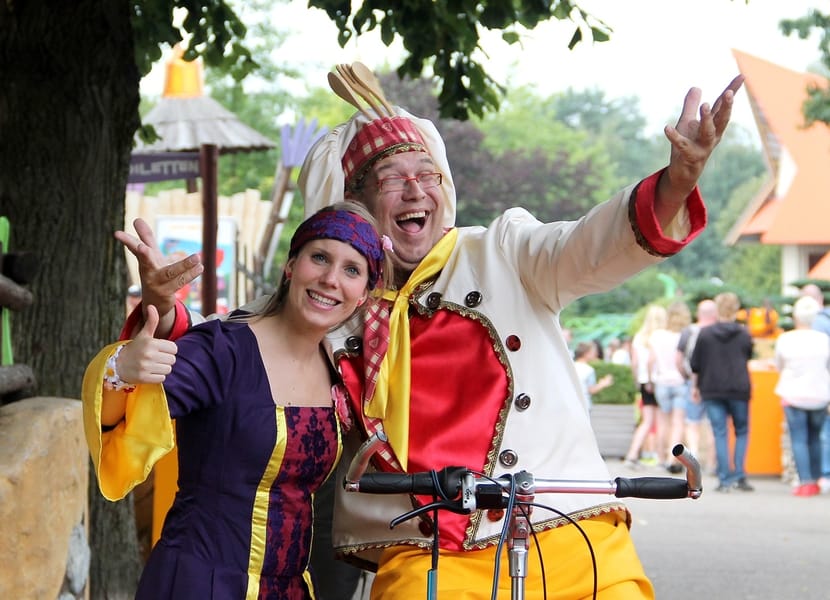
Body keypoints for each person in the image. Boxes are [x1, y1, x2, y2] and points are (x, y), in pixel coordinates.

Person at [125, 70, 744, 598]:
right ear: (355, 204)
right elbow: (237, 350)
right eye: (392, 177)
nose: (416, 187)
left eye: (427, 173)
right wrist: (160, 310)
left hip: (570, 534)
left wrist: (675, 185)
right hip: (426, 555)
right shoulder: (332, 305)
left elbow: (589, 247)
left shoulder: (503, 251)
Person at [81, 203, 390, 600]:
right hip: (198, 584)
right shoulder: (222, 352)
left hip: (291, 590)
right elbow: (122, 421)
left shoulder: (340, 373)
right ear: (291, 265)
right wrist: (123, 369)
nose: (331, 279)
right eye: (320, 257)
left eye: (352, 269)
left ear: (364, 294)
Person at [689, 291, 754, 493]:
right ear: (736, 309)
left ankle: (724, 478)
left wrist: (695, 387)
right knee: (741, 431)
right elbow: (749, 355)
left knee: (719, 432)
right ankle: (740, 475)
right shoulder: (744, 333)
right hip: (738, 388)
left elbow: (695, 363)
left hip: (712, 387)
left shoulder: (705, 334)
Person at [772, 295, 830, 497]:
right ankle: (816, 478)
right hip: (819, 395)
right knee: (816, 438)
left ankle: (805, 481)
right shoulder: (824, 340)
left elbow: (778, 364)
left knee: (798, 438)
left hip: (793, 393)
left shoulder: (786, 339)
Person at [650, 300, 692, 473]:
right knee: (677, 423)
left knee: (663, 422)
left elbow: (651, 361)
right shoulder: (686, 335)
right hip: (680, 382)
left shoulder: (657, 335)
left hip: (661, 382)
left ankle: (660, 457)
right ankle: (671, 458)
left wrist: (652, 380)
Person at [676, 298, 717, 472]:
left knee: (692, 423)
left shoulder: (689, 331)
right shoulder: (716, 332)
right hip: (714, 384)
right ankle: (712, 462)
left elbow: (678, 358)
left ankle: (694, 460)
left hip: (690, 382)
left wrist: (685, 375)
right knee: (713, 425)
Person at [622, 304, 666, 468]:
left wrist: (638, 380)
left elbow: (634, 362)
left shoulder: (639, 336)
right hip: (659, 380)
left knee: (646, 421)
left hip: (642, 381)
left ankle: (632, 454)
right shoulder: (662, 336)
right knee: (662, 421)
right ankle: (661, 458)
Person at [799, 284, 830, 493]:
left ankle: (808, 479)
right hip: (821, 390)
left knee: (803, 436)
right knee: (821, 434)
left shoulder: (804, 329)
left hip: (799, 391)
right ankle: (823, 476)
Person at [573, 340, 614, 411]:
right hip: (585, 404)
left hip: (573, 403)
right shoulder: (589, 370)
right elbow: (591, 390)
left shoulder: (572, 366)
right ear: (586, 353)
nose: (596, 354)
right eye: (593, 352)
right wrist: (603, 384)